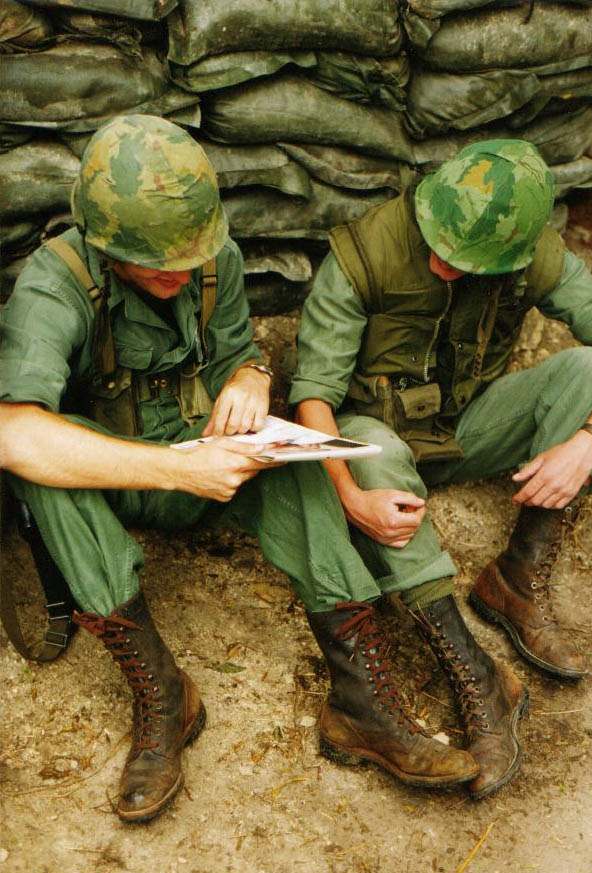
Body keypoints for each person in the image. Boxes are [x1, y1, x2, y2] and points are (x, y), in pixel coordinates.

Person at [0, 115, 479, 824]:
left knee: (294, 456)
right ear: (105, 246)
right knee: (41, 461)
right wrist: (174, 470)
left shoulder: (206, 255)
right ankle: (164, 692)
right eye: (155, 263)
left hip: (201, 459)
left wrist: (251, 373)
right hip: (117, 477)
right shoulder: (55, 283)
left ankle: (358, 699)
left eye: (188, 256)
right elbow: (12, 433)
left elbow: (231, 351)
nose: (179, 272)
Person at [291, 138, 592, 800]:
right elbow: (312, 395)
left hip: (468, 428)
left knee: (585, 370)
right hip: (377, 442)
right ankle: (478, 672)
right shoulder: (363, 253)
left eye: (461, 260)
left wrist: (589, 438)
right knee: (364, 444)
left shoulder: (532, 256)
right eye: (437, 241)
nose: (439, 260)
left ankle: (513, 581)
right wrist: (345, 493)